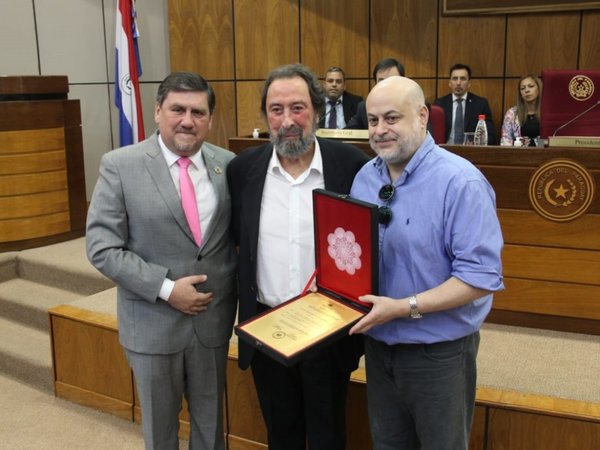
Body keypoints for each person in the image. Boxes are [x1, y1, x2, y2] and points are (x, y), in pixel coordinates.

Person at [349, 76, 504, 450]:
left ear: (421, 116)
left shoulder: (461, 182)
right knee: (388, 444)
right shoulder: (365, 178)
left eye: (391, 118)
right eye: (372, 121)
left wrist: (403, 308)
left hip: (439, 354)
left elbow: (480, 277)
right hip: (379, 345)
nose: (380, 130)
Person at [86, 72, 237, 450]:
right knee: (160, 434)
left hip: (211, 325)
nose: (187, 120)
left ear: (210, 119)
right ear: (157, 111)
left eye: (198, 112)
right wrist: (167, 289)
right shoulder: (120, 165)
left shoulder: (229, 165)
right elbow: (102, 247)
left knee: (211, 428)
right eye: (177, 109)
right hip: (152, 325)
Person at [227, 63, 369, 450]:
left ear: (317, 111)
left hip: (327, 333)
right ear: (265, 116)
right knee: (281, 436)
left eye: (297, 108)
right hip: (267, 330)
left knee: (328, 437)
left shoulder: (351, 165)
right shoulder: (242, 171)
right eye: (276, 109)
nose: (287, 120)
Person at [434, 63, 497, 145]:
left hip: (470, 151)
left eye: (463, 79)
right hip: (444, 151)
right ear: (450, 83)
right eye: (455, 79)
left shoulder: (481, 104)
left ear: (469, 83)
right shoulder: (439, 104)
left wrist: (475, 143)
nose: (458, 83)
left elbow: (490, 136)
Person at [345, 58, 405, 130]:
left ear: (403, 82)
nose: (386, 85)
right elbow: (347, 134)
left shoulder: (413, 105)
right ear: (375, 84)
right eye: (381, 81)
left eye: (392, 80)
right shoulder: (365, 107)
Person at [500, 74, 543, 146]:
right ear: (520, 93)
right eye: (523, 88)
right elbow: (505, 141)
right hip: (519, 154)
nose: (527, 90)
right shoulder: (512, 114)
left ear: (539, 88)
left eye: (531, 86)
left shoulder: (547, 112)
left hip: (545, 154)